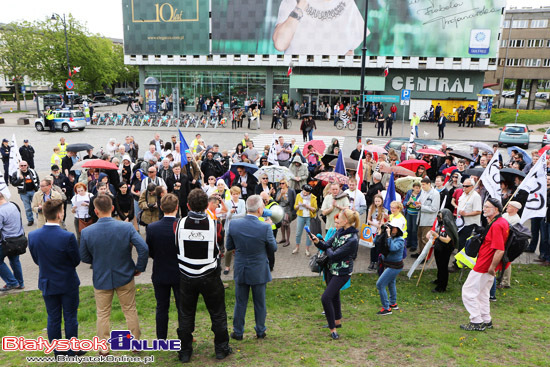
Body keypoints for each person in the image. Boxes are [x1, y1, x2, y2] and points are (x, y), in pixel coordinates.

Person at [80, 194, 149, 351]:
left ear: (95, 211)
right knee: (130, 310)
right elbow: (143, 248)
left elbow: (83, 256)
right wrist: (139, 267)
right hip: (125, 274)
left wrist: (97, 261)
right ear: (112, 208)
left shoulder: (87, 232)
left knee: (103, 313)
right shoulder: (126, 227)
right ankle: (135, 343)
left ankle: (103, 348)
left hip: (101, 276)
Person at [175, 189, 232, 362]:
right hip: (209, 275)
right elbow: (220, 242)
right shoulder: (215, 225)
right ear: (206, 205)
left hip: (186, 275)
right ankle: (221, 349)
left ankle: (185, 352)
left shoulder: (178, 223)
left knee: (185, 314)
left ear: (188, 205)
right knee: (218, 313)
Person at [28, 199, 84, 356]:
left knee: (53, 317)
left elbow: (36, 259)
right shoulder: (67, 237)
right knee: (70, 317)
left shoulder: (33, 236)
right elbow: (76, 260)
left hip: (47, 281)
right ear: (60, 214)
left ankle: (58, 351)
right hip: (67, 281)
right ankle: (72, 348)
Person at [226, 195, 277, 340]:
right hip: (259, 269)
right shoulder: (265, 226)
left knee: (240, 302)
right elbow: (273, 247)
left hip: (241, 266)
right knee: (260, 302)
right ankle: (260, 331)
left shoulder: (234, 224)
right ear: (260, 209)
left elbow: (229, 246)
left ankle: (238, 332)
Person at [460, 198, 509, 332]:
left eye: (487, 207)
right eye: (484, 206)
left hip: (485, 265)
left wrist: (492, 267)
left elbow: (500, 249)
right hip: (487, 264)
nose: (484, 209)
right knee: (482, 293)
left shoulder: (498, 225)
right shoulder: (499, 222)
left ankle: (476, 321)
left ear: (496, 209)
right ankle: (486, 320)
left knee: (468, 292)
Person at [310, 209, 359, 339]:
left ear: (346, 221)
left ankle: (332, 329)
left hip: (342, 272)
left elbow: (334, 255)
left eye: (340, 218)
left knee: (326, 297)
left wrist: (328, 248)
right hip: (331, 269)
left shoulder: (352, 239)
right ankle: (337, 322)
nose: (337, 220)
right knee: (334, 295)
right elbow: (327, 244)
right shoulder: (339, 231)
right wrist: (317, 242)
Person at [145, 194, 181, 340]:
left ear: (161, 207)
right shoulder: (181, 225)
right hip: (179, 271)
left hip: (160, 270)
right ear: (177, 208)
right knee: (182, 307)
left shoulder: (152, 228)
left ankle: (161, 337)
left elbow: (150, 250)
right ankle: (184, 334)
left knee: (161, 307)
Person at [376, 217, 406, 315]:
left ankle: (386, 308)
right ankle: (393, 303)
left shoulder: (400, 240)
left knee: (380, 284)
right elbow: (376, 243)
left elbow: (392, 248)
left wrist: (388, 236)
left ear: (398, 230)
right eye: (391, 227)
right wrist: (380, 232)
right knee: (391, 282)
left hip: (395, 266)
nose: (391, 229)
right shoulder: (390, 237)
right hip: (389, 265)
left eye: (393, 227)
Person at [427, 209, 458, 293]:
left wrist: (436, 236)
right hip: (439, 247)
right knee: (439, 266)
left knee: (443, 267)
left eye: (440, 215)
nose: (439, 216)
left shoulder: (449, 225)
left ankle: (441, 287)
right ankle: (439, 279)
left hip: (445, 249)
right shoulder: (441, 223)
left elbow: (447, 240)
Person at [0, 193, 25, 291]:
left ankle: (12, 282)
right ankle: (20, 283)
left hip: (6, 242)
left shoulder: (1, 211)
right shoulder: (14, 205)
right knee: (15, 261)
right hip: (18, 240)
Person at [412, 178, 440, 258]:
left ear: (429, 184)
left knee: (425, 238)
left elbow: (434, 209)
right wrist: (416, 204)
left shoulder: (435, 194)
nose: (422, 186)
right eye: (422, 185)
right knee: (420, 236)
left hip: (428, 220)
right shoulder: (423, 192)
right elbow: (419, 201)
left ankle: (425, 257)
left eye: (424, 185)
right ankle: (420, 253)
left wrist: (421, 206)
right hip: (420, 218)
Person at [223, 186, 246, 275]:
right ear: (231, 194)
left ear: (239, 194)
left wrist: (233, 216)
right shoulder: (228, 202)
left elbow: (243, 214)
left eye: (237, 194)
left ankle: (238, 266)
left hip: (240, 227)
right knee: (228, 249)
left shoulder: (242, 202)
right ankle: (227, 266)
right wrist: (230, 213)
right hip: (230, 228)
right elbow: (227, 217)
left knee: (240, 247)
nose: (235, 196)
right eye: (233, 194)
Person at [10, 160, 39, 226]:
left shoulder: (32, 171)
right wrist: (20, 179)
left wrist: (37, 188)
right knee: (27, 208)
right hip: (24, 193)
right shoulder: (16, 173)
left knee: (37, 206)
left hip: (33, 191)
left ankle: (40, 219)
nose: (23, 167)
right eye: (21, 165)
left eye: (24, 165)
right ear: (19, 166)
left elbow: (37, 179)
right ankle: (30, 220)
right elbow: (13, 183)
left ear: (27, 165)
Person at [293, 184, 318, 256]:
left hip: (309, 217)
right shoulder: (298, 196)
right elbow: (295, 207)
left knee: (309, 234)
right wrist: (298, 206)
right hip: (300, 216)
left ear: (309, 192)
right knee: (298, 232)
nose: (305, 193)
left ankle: (307, 249)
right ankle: (297, 247)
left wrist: (308, 206)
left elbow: (315, 209)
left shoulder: (313, 197)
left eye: (307, 193)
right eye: (304, 192)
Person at [275, 179, 296, 248]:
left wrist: (284, 196)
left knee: (286, 224)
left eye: (283, 183)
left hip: (288, 209)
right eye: (280, 183)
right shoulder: (279, 190)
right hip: (280, 209)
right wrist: (281, 194)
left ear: (286, 184)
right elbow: (276, 200)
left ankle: (288, 240)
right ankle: (283, 238)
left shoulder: (290, 191)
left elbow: (289, 202)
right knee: (282, 224)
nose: (281, 185)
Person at [403, 182, 421, 252]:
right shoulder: (409, 192)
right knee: (408, 228)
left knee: (414, 230)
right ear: (413, 188)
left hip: (415, 214)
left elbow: (419, 204)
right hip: (409, 213)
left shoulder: (421, 194)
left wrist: (414, 201)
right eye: (416, 188)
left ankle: (414, 245)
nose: (418, 189)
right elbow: (404, 202)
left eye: (419, 188)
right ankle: (408, 242)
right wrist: (407, 202)